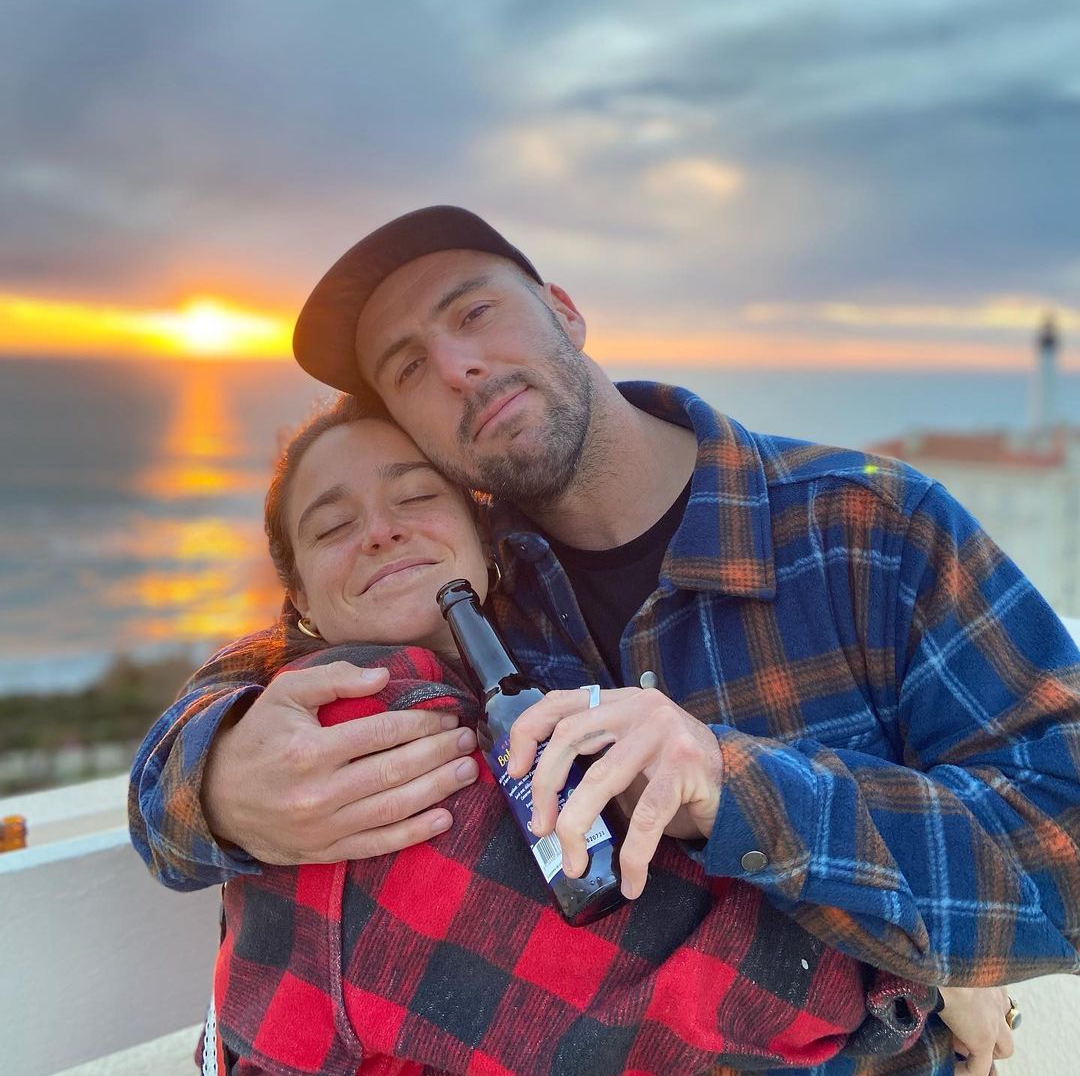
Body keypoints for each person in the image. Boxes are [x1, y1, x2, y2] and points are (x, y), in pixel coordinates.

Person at [131, 206, 1080, 1074]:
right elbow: (266, 669)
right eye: (408, 368)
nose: (456, 366)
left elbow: (1065, 845)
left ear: (564, 312)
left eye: (474, 312)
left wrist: (733, 786)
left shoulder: (869, 532)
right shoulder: (462, 579)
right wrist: (212, 784)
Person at [206, 395, 942, 1074]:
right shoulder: (361, 727)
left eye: (417, 496)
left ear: (485, 540)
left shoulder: (509, 680)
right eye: (333, 526)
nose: (380, 531)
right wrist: (903, 972)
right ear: (299, 599)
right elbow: (647, 1000)